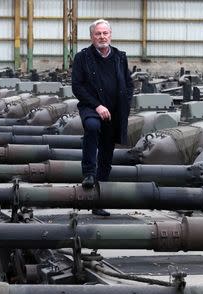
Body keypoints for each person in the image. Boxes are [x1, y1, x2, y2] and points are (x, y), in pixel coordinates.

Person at [71, 19, 133, 216]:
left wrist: (125, 105)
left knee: (107, 152)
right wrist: (97, 105)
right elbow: (77, 86)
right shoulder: (83, 57)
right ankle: (88, 173)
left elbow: (129, 84)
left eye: (105, 33)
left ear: (110, 35)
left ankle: (98, 201)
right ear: (92, 37)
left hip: (115, 111)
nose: (102, 37)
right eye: (98, 34)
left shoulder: (120, 57)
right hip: (91, 106)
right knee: (91, 126)